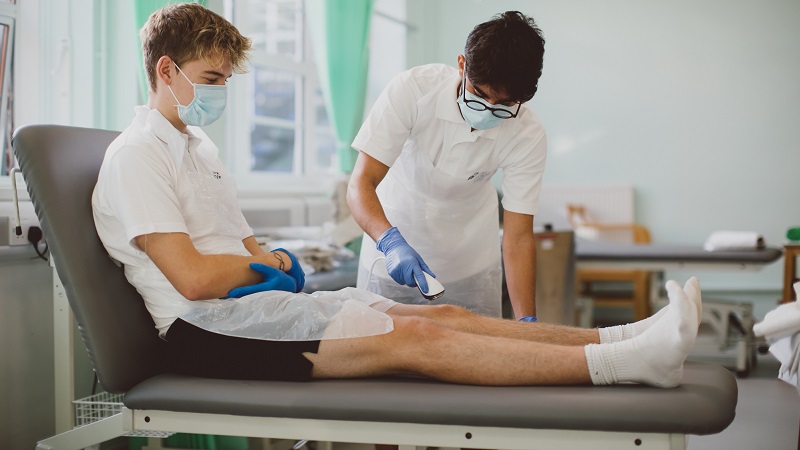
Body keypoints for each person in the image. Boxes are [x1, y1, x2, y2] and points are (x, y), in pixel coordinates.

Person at [92, 3, 702, 395]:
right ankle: (628, 365)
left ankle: (628, 338)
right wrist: (274, 264)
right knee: (418, 341)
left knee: (449, 318)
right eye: (212, 79)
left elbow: (242, 245)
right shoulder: (135, 154)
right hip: (202, 325)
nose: (222, 92)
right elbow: (195, 279)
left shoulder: (199, 150)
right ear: (166, 71)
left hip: (250, 309)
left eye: (225, 80)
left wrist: (270, 262)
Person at [348, 11, 547, 322]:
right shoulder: (412, 90)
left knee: (474, 347)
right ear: (462, 65)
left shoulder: (527, 133)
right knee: (383, 342)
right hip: (394, 253)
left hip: (470, 263)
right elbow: (361, 183)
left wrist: (526, 322)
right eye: (480, 94)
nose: (488, 110)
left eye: (504, 105)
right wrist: (389, 242)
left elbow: (518, 236)